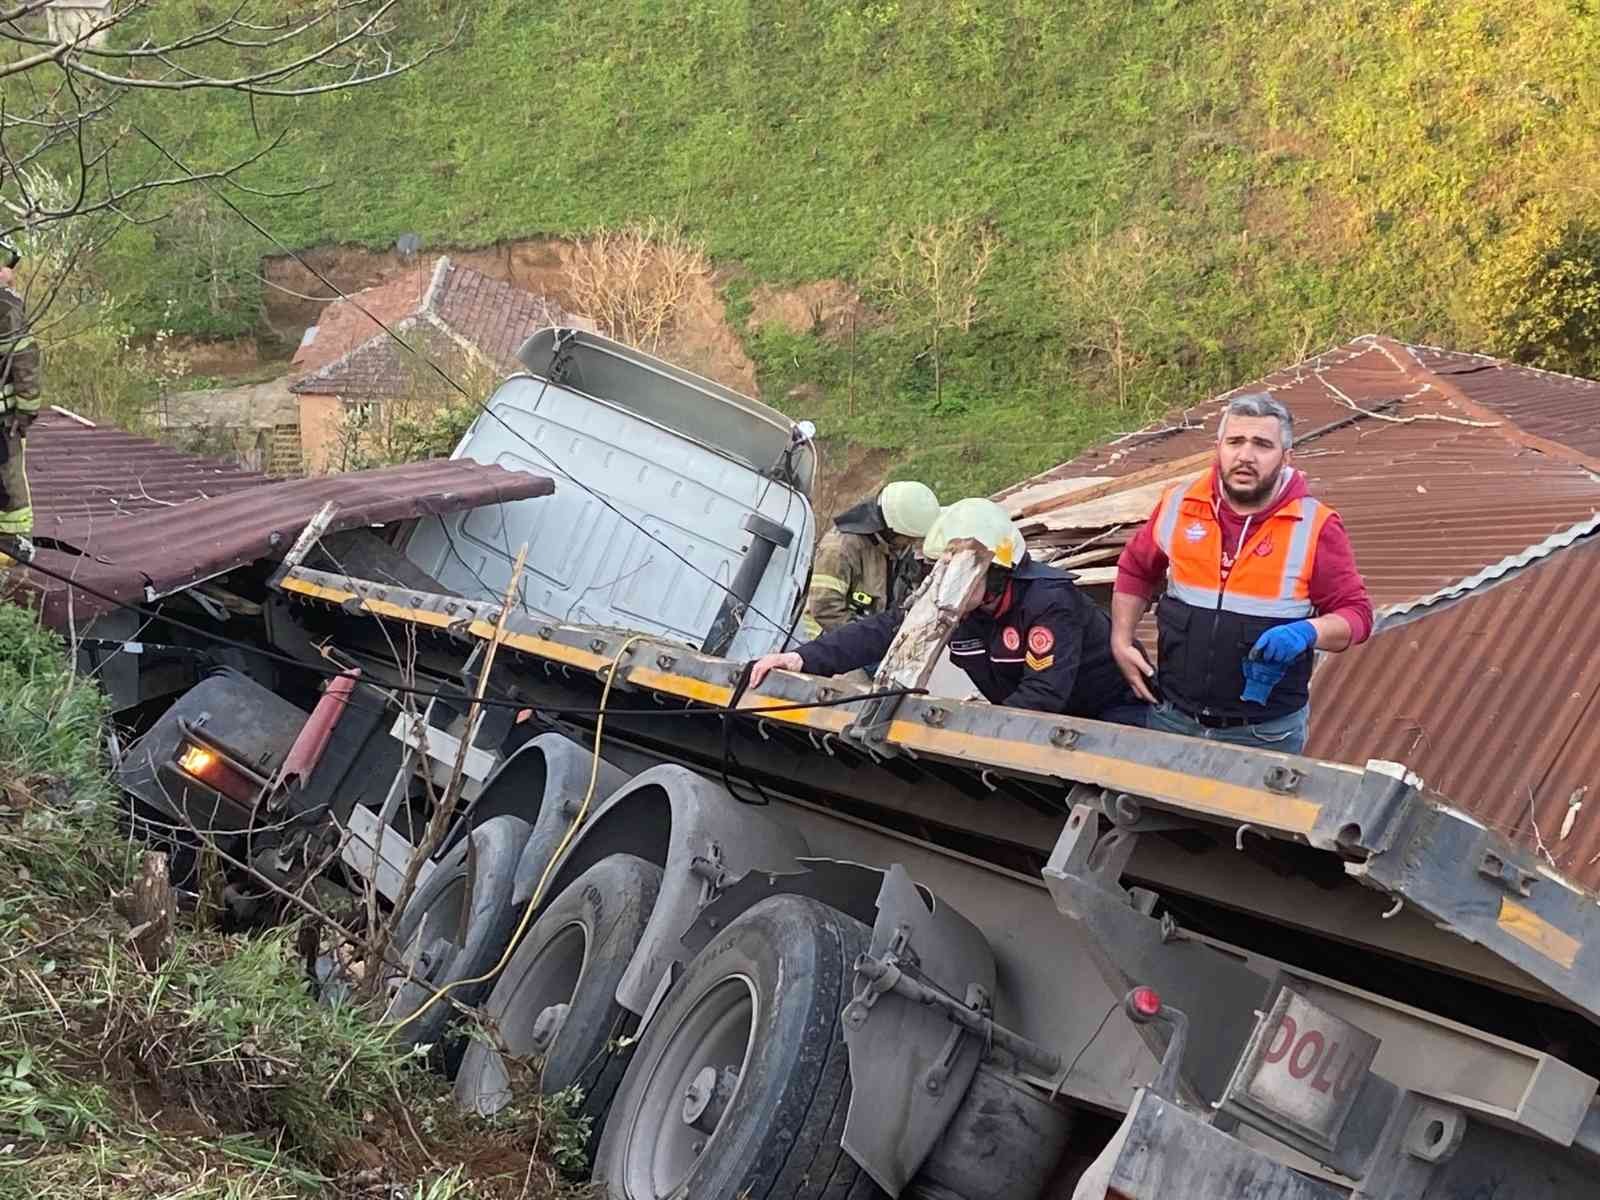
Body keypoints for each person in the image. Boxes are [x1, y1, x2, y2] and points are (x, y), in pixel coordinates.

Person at [1110, 393, 1372, 755]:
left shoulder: (1315, 525)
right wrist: (1121, 640)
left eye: (1262, 445)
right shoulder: (1179, 504)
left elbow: (1356, 615)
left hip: (1263, 733)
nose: (1246, 456)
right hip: (1172, 718)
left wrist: (1308, 631)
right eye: (1235, 442)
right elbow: (1136, 569)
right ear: (1218, 448)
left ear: (1286, 457)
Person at [754, 497, 1150, 725]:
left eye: (956, 570)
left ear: (995, 571)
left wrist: (975, 727)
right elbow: (888, 629)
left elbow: (1043, 695)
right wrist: (801, 659)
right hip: (1040, 722)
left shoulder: (1048, 605)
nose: (943, 583)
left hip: (1110, 717)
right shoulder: (956, 605)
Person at [800, 480, 941, 639]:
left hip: (876, 630)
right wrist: (869, 641)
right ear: (891, 530)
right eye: (909, 538)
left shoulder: (894, 543)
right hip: (834, 641)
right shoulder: (839, 549)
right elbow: (824, 609)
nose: (913, 543)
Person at [0, 237, 40, 567]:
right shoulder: (6, 304)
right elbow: (24, 355)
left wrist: (25, 410)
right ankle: (13, 542)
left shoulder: (5, 306)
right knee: (9, 480)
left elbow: (21, 355)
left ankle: (14, 543)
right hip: (5, 419)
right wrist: (26, 409)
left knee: (9, 481)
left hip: (4, 420)